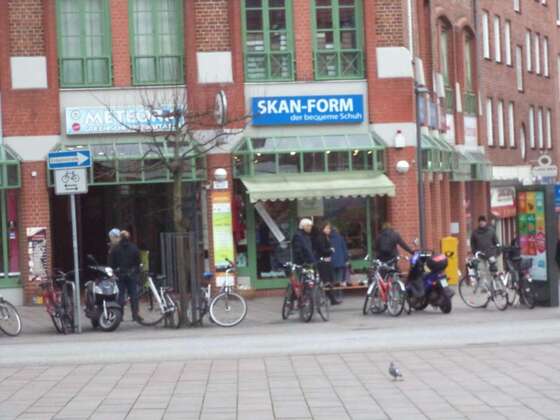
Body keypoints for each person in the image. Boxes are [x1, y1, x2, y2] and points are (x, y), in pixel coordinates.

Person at [108, 230, 142, 322]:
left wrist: (113, 272)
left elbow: (111, 263)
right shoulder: (134, 248)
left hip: (120, 275)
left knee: (120, 295)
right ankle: (135, 315)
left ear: (120, 237)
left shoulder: (115, 249)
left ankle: (120, 315)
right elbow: (138, 262)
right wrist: (136, 272)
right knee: (134, 295)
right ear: (128, 237)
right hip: (131, 274)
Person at [312, 221, 340, 305]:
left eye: (329, 228)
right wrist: (330, 250)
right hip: (323, 262)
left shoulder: (325, 237)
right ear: (323, 228)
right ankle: (331, 299)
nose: (329, 230)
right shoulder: (321, 237)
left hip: (326, 261)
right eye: (327, 228)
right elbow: (322, 250)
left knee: (328, 281)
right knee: (326, 281)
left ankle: (331, 299)